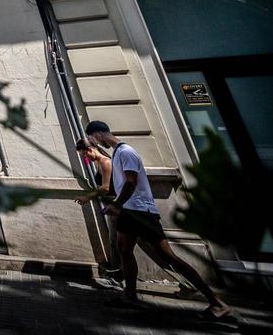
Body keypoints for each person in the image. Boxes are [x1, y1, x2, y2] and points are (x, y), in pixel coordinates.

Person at [83, 121, 231, 321]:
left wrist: (117, 205)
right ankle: (130, 295)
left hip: (141, 212)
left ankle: (217, 303)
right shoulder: (118, 152)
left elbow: (131, 182)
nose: (95, 145)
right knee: (123, 250)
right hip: (129, 211)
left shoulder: (126, 152)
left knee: (168, 256)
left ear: (98, 134)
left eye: (93, 140)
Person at [75, 138, 121, 280]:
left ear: (90, 149)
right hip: (111, 206)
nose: (85, 158)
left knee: (116, 242)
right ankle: (117, 270)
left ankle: (118, 271)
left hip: (116, 205)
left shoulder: (105, 162)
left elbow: (106, 187)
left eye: (84, 154)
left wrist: (87, 197)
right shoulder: (99, 163)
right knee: (114, 241)